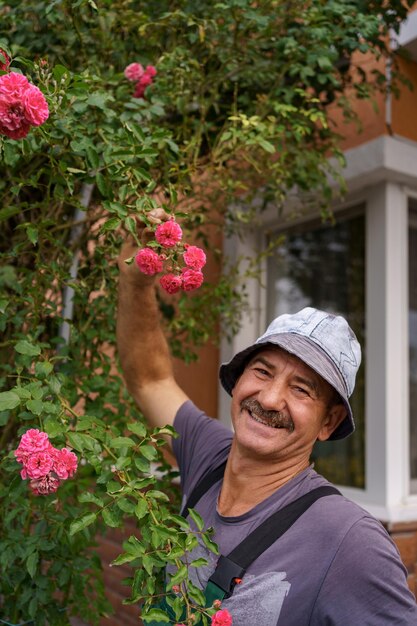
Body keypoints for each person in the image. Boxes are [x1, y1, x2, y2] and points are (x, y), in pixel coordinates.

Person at [117, 209, 417, 625]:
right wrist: (135, 280)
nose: (271, 398)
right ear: (239, 381)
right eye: (262, 371)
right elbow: (149, 378)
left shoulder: (351, 542)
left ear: (328, 423)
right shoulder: (208, 455)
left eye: (302, 389)